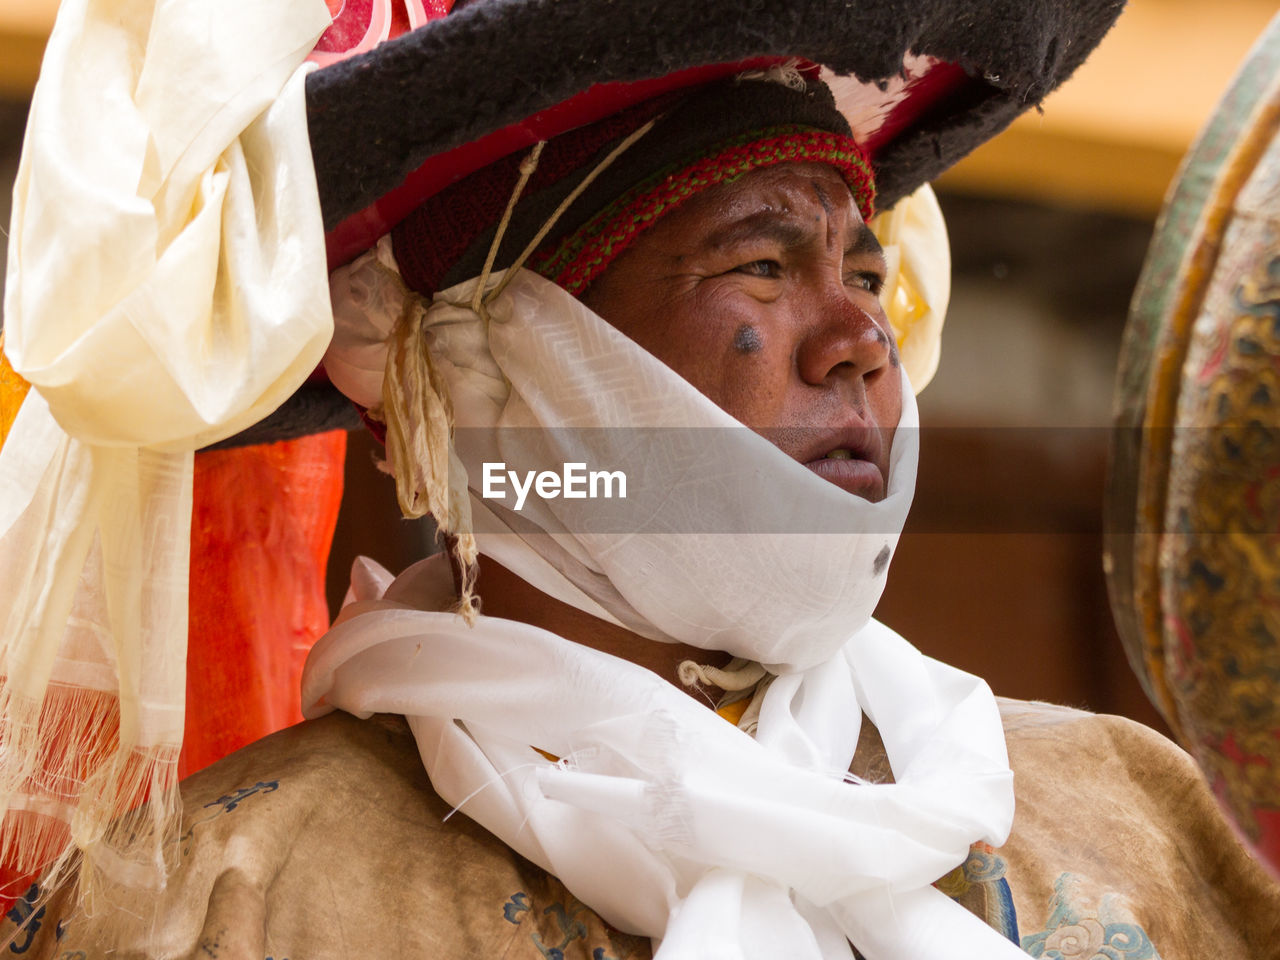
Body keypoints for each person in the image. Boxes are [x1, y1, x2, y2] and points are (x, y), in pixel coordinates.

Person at [1, 2, 1277, 958]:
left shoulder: (1140, 820)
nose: (861, 343)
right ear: (496, 377)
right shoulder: (223, 908)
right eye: (763, 270)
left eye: (863, 272)